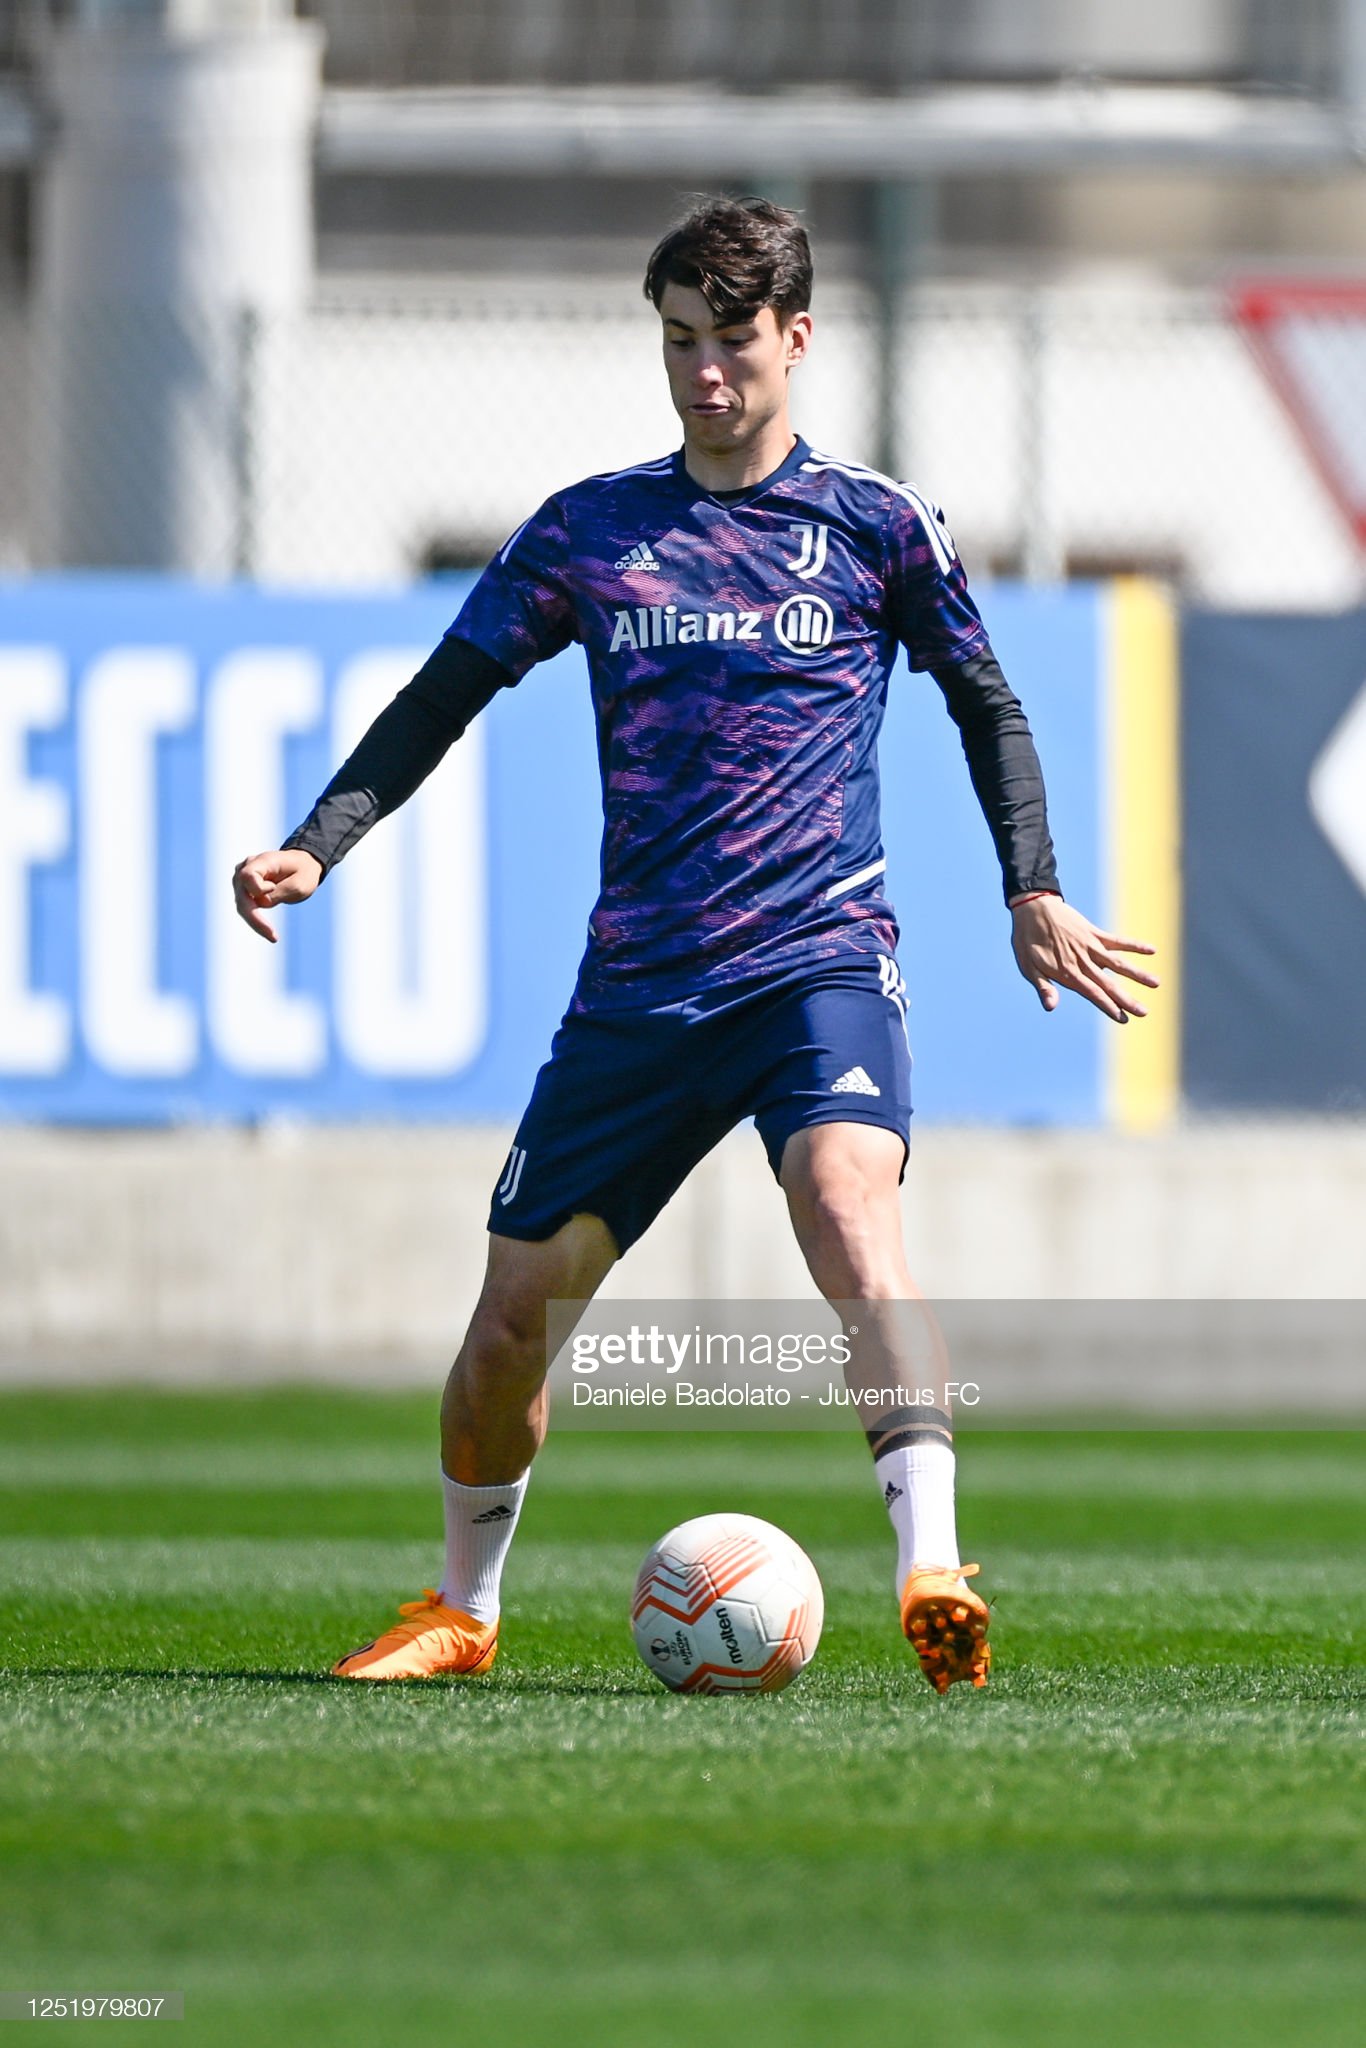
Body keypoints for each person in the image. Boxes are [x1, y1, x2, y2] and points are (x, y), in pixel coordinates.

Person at [233, 197, 1156, 1695]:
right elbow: (439, 697)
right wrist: (319, 841)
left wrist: (1031, 889)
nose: (704, 371)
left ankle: (931, 1566)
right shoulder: (591, 531)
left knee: (851, 1218)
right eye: (678, 340)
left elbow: (988, 703)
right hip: (641, 992)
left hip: (817, 963)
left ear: (798, 337)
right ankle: (463, 1608)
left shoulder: (875, 525)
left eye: (732, 340)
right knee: (507, 1333)